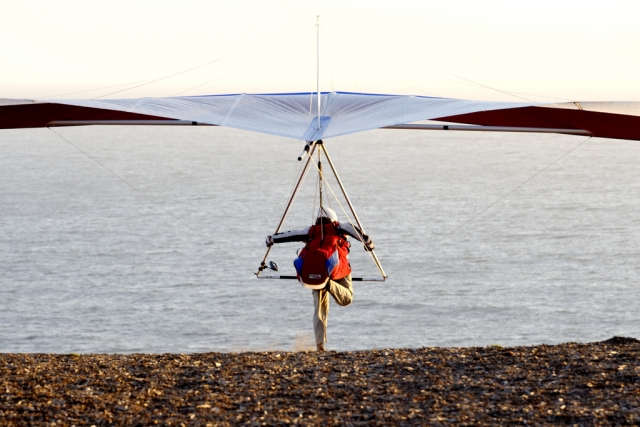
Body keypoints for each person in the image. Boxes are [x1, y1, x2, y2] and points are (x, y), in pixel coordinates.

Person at [265, 207, 374, 352]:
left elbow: (290, 234)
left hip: (317, 273)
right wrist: (367, 242)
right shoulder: (340, 227)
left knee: (319, 309)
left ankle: (320, 346)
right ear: (333, 218)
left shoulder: (311, 231)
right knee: (346, 299)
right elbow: (353, 229)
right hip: (339, 271)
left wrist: (271, 239)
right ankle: (328, 284)